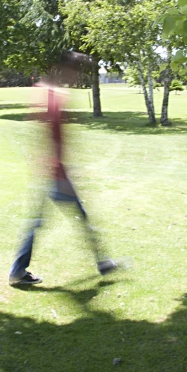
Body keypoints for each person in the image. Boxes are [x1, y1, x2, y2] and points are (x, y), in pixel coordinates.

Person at [9, 52, 118, 286]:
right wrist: (60, 171)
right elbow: (53, 136)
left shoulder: (44, 91)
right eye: (76, 71)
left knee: (42, 221)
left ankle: (18, 270)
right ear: (67, 70)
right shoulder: (54, 96)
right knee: (74, 217)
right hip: (55, 173)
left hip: (50, 170)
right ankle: (103, 262)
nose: (76, 76)